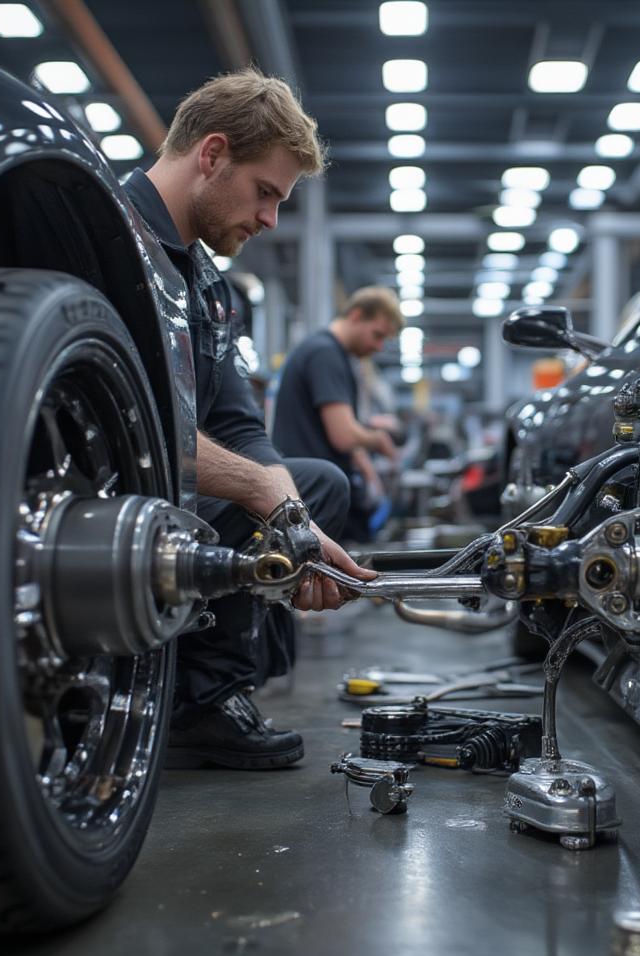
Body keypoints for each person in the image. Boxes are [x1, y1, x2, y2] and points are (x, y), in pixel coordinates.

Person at [123, 67, 375, 769]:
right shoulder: (105, 242)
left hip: (175, 498)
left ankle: (202, 698)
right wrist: (266, 498)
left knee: (318, 486)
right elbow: (127, 424)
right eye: (266, 193)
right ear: (212, 155)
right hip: (102, 500)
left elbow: (239, 426)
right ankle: (183, 691)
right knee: (279, 492)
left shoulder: (206, 285)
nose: (270, 219)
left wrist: (293, 523)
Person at [271, 288, 403, 540]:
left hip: (312, 486)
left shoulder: (332, 354)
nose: (377, 346)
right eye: (377, 335)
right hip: (311, 492)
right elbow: (343, 435)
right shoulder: (325, 353)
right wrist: (379, 440)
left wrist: (369, 473)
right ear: (356, 315)